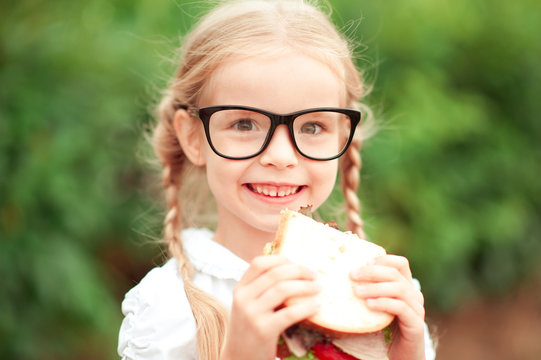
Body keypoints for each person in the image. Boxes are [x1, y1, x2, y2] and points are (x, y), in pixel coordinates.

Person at [118, 1, 435, 359]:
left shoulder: (373, 294)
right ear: (193, 138)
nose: (281, 157)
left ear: (342, 137)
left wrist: (407, 353)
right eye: (244, 124)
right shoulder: (167, 309)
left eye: (313, 126)